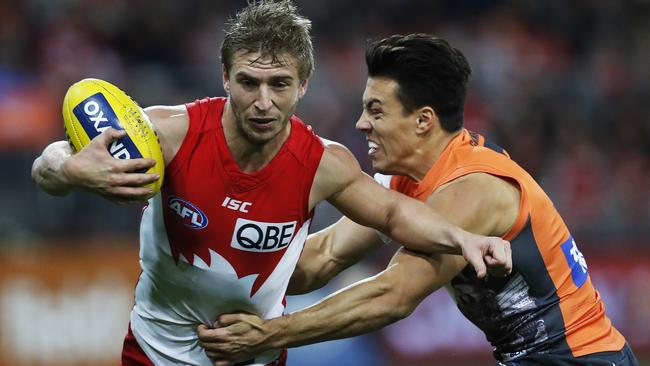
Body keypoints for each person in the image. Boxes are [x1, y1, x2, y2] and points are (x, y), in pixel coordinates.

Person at [31, 3, 511, 366]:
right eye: (248, 82)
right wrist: (70, 171)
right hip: (154, 353)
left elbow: (391, 213)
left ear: (303, 84)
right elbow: (50, 162)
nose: (263, 102)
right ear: (225, 77)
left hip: (256, 357)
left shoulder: (323, 163)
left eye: (279, 84)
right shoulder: (169, 133)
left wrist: (462, 237)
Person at [197, 34, 639, 366]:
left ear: (424, 121)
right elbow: (323, 257)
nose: (361, 124)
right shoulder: (402, 180)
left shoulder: (473, 187)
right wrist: (215, 270)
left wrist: (271, 334)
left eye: (376, 110)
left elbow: (392, 296)